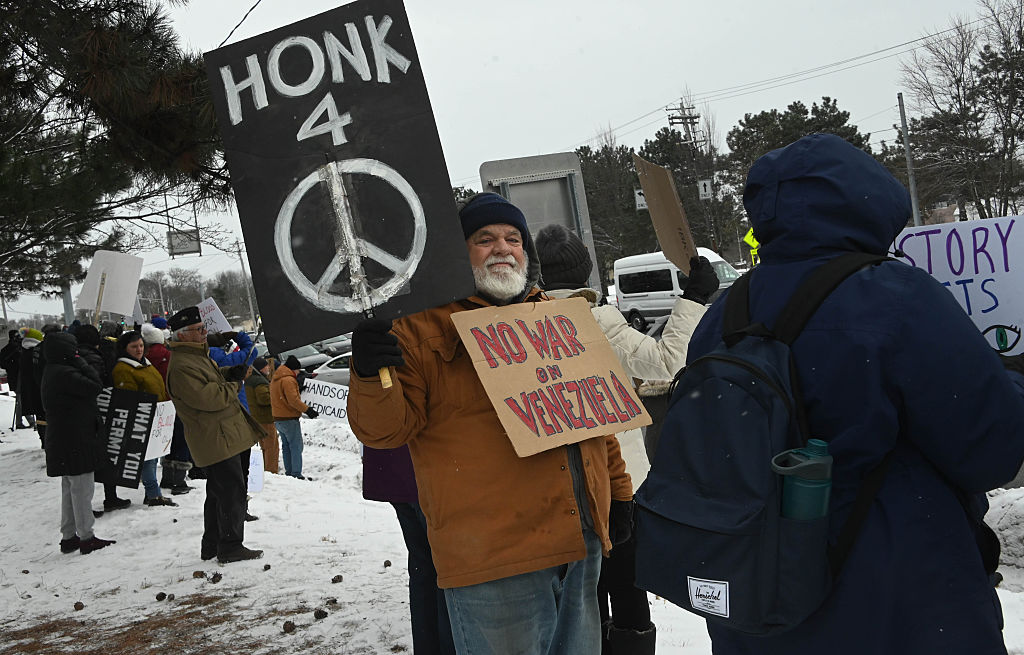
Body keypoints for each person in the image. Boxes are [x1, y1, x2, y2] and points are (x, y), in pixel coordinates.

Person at [683, 133, 1024, 654]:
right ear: (872, 201)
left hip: (760, 589)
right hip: (902, 595)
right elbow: (991, 450)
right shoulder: (897, 296)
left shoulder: (723, 314)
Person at [348, 192, 633, 654]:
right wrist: (367, 373)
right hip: (495, 564)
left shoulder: (555, 317)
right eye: (484, 239)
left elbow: (593, 417)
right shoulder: (420, 328)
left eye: (512, 238)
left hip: (579, 549)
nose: (502, 248)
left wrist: (618, 494)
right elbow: (385, 431)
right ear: (458, 253)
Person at [534, 223, 719, 654]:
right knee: (628, 587)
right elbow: (667, 361)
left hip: (556, 481)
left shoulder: (526, 325)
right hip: (619, 480)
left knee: (583, 591)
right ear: (587, 271)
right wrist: (692, 298)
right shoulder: (596, 320)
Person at [165, 307, 264, 563]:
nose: (204, 334)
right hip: (214, 438)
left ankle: (212, 545)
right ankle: (230, 546)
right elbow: (210, 397)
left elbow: (212, 378)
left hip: (223, 436)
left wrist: (230, 373)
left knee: (219, 493)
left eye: (203, 329)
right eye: (199, 330)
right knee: (231, 492)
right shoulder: (182, 365)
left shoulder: (196, 356)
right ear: (182, 335)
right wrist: (235, 384)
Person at [40, 332, 116, 555]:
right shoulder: (66, 372)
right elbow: (95, 385)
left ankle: (68, 535)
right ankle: (86, 536)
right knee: (82, 489)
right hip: (76, 438)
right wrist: (79, 360)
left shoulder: (52, 370)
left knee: (69, 488)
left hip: (65, 437)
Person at [112, 331, 176, 507]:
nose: (139, 349)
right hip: (141, 417)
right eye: (134, 346)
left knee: (154, 457)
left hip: (156, 417)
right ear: (125, 349)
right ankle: (153, 494)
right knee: (148, 458)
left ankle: (154, 493)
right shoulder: (123, 369)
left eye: (141, 345)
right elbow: (128, 397)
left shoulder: (145, 364)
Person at [75, 324, 132, 513]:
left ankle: (87, 504)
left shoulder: (73, 357)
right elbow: (99, 384)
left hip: (82, 414)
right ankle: (109, 497)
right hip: (100, 411)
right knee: (105, 455)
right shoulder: (96, 357)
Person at [270, 355, 318, 479]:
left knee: (286, 446)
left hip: (278, 417)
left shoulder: (276, 378)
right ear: (293, 369)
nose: (298, 373)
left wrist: (298, 389)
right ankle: (296, 473)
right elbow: (293, 400)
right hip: (289, 418)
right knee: (296, 446)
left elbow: (284, 396)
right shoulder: (288, 380)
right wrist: (308, 410)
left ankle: (289, 472)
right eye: (297, 370)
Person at [244, 357, 281, 475]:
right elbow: (263, 399)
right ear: (260, 368)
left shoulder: (250, 380)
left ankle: (267, 469)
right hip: (265, 418)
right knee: (272, 447)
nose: (269, 368)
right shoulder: (259, 381)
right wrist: (276, 397)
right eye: (266, 366)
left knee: (264, 446)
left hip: (256, 417)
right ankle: (271, 471)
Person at [1, 329, 29, 429]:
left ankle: (26, 420)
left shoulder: (17, 347)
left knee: (22, 399)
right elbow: (4, 364)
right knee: (20, 400)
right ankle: (19, 422)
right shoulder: (11, 349)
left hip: (18, 376)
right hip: (17, 377)